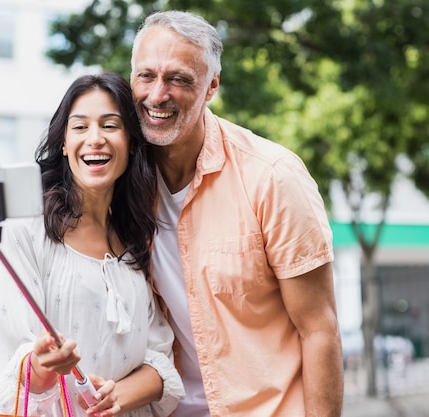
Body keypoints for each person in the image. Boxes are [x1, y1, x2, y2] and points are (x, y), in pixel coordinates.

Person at [130, 10, 344, 417]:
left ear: (211, 86)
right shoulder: (123, 183)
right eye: (146, 76)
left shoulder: (271, 177)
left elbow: (319, 330)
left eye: (179, 79)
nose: (158, 95)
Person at [0, 72, 185, 417]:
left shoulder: (138, 239)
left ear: (132, 142)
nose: (95, 139)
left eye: (110, 126)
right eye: (79, 127)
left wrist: (114, 395)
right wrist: (43, 361)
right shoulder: (22, 231)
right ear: (63, 143)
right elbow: (15, 367)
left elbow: (161, 364)